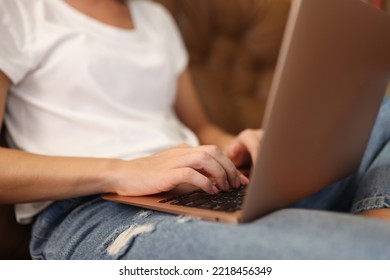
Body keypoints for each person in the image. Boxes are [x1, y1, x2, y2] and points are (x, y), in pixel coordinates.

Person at [0, 0, 390, 260]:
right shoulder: (19, 11)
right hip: (98, 213)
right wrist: (123, 170)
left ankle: (374, 222)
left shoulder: (155, 18)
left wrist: (237, 145)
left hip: (205, 189)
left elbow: (201, 126)